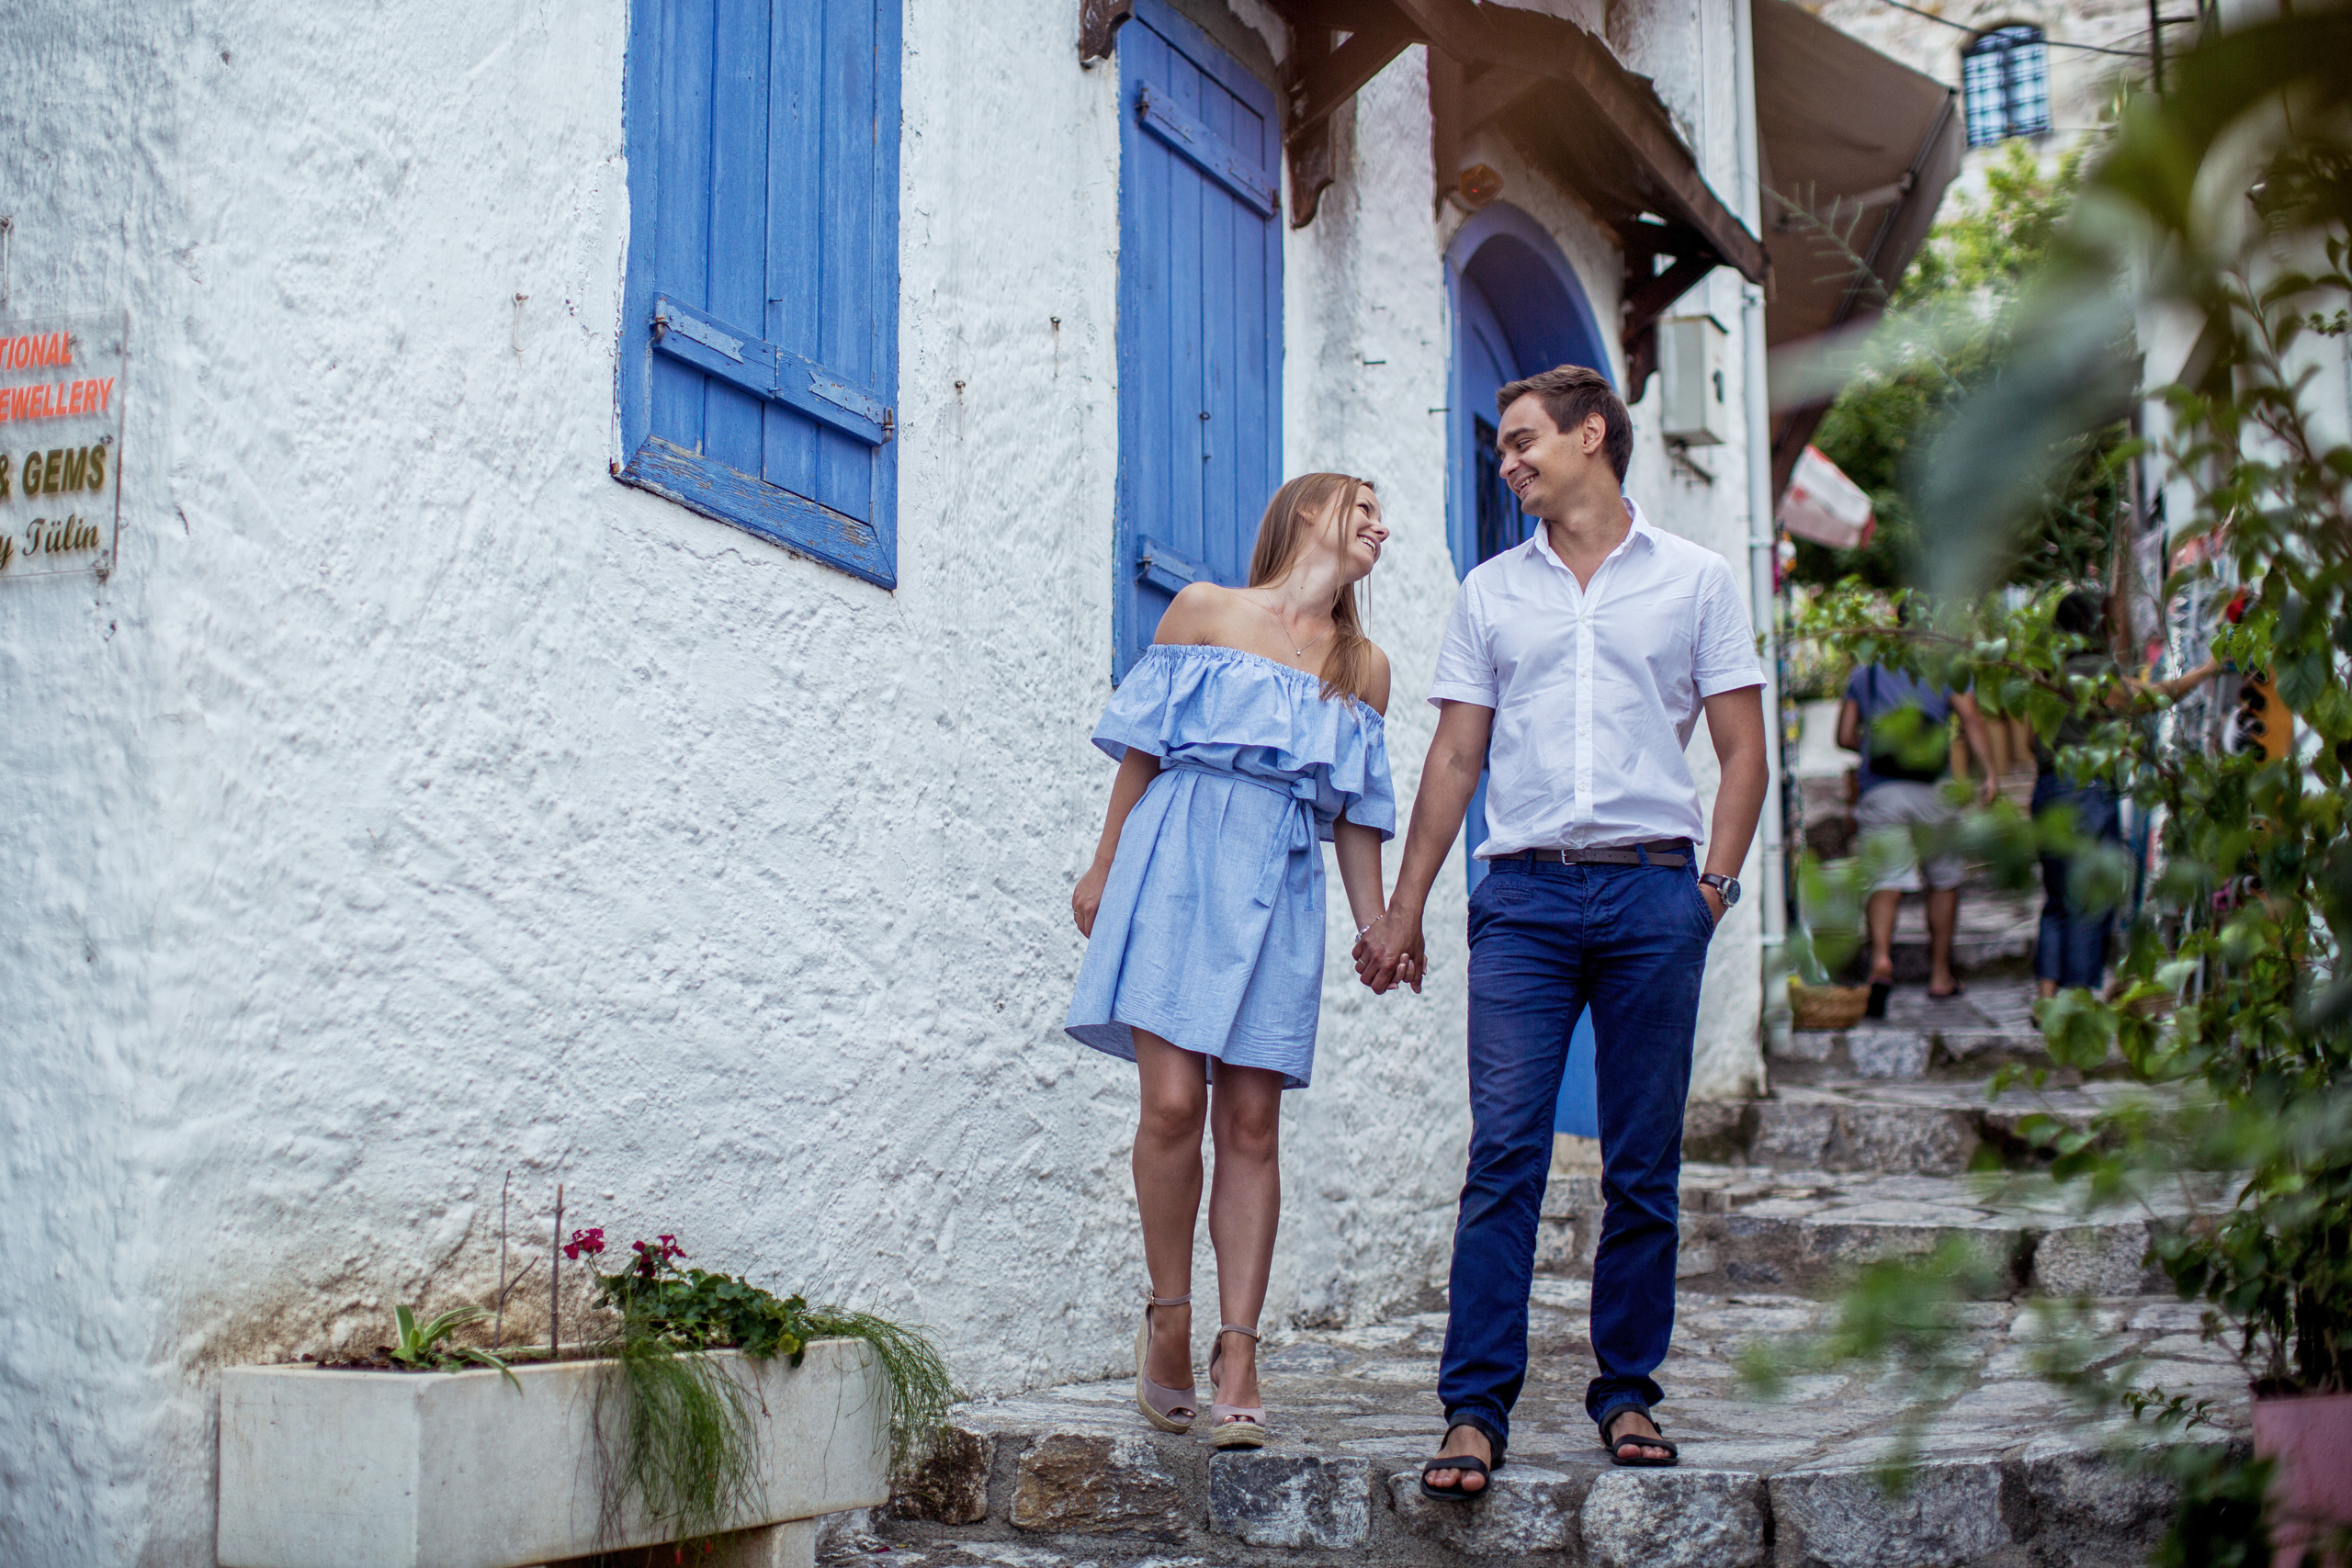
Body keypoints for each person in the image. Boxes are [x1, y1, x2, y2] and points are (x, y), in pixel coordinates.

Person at [1353, 366, 1770, 1483]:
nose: (1507, 461)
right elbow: (1455, 757)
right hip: (1524, 901)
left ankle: (1626, 1391)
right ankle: (1473, 1407)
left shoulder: (1695, 580)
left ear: (1592, 436)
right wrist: (1404, 906)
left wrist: (1712, 892)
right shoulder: (1490, 592)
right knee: (1503, 1154)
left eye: (1522, 440)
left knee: (1642, 1162)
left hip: (1653, 893)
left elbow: (1743, 754)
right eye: (1501, 445)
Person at [1067, 473, 1398, 1450]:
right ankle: (1168, 1315)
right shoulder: (1204, 610)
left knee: (1252, 1120)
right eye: (1363, 508)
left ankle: (1239, 1350)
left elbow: (1357, 816)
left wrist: (1376, 924)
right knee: (1172, 1104)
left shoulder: (1363, 666)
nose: (1380, 527)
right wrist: (1103, 864)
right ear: (1306, 512)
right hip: (1175, 857)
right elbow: (1142, 750)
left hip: (1280, 878)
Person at [2031, 589, 2217, 998]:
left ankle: (2047, 999)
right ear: (2094, 625)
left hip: (2047, 789)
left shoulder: (2046, 671)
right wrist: (2206, 671)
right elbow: (2147, 699)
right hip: (2084, 792)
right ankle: (2078, 1005)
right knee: (2090, 899)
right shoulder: (2093, 670)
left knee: (2057, 899)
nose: (2115, 627)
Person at [1835, 657, 1997, 1014]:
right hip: (1934, 790)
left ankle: (1880, 960)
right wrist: (1988, 772)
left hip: (1882, 792)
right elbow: (1971, 718)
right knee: (1943, 880)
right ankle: (1940, 976)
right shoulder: (1947, 669)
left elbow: (1844, 735)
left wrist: (1878, 745)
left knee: (1885, 879)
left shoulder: (1865, 674)